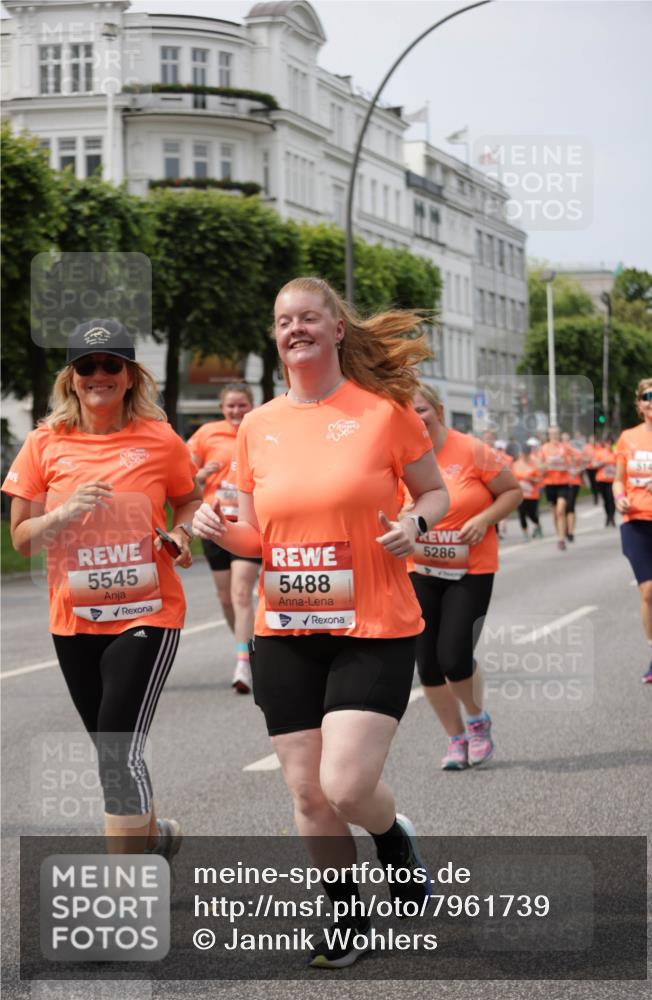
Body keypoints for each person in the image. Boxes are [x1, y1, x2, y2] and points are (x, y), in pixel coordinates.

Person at [193, 277, 448, 968]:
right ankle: (344, 913)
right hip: (286, 627)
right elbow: (251, 535)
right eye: (283, 320)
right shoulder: (257, 424)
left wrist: (413, 522)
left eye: (309, 317)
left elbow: (432, 488)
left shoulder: (384, 412)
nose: (294, 328)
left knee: (345, 786)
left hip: (375, 621)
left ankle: (391, 836)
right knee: (307, 791)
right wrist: (212, 521)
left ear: (337, 330)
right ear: (274, 335)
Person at [2, 319, 201, 856]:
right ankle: (153, 837)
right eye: (86, 367)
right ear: (71, 379)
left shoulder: (160, 440)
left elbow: (189, 499)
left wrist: (180, 533)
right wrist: (64, 513)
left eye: (110, 365)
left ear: (130, 376)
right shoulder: (45, 444)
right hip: (74, 619)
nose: (98, 375)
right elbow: (21, 539)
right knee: (115, 751)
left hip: (146, 614)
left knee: (116, 751)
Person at [408, 384, 522, 770]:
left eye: (421, 409)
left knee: (454, 656)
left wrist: (484, 518)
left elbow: (512, 491)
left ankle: (477, 720)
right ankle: (455, 737)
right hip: (418, 569)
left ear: (438, 410)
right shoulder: (398, 456)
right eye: (407, 412)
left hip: (469, 569)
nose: (415, 418)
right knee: (427, 665)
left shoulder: (472, 450)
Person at [187, 384, 261, 693]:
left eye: (242, 405)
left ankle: (243, 664)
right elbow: (181, 477)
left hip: (247, 524)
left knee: (241, 592)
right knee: (225, 599)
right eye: (231, 406)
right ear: (222, 408)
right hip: (215, 525)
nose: (236, 412)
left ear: (251, 405)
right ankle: (245, 647)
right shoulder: (206, 434)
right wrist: (201, 475)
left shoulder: (259, 430)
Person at [614, 377, 652, 683]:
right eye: (648, 396)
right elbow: (619, 478)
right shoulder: (628, 437)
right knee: (649, 590)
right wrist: (619, 497)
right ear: (640, 404)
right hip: (637, 524)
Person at [537, 425, 573, 551]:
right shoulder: (544, 449)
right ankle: (560, 536)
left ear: (559, 434)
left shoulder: (565, 448)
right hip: (549, 483)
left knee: (560, 510)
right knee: (555, 514)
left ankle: (562, 539)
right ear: (549, 435)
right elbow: (539, 466)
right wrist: (547, 465)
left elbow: (571, 464)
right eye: (552, 434)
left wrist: (563, 466)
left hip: (563, 483)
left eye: (556, 433)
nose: (554, 436)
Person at [513, 443, 543, 541]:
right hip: (520, 494)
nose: (525, 456)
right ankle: (525, 533)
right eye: (523, 453)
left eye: (527, 454)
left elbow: (539, 478)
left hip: (532, 493)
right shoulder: (516, 465)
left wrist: (530, 478)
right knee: (522, 513)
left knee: (532, 514)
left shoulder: (534, 464)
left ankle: (538, 525)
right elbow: (512, 478)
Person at [562, 431, 583, 543]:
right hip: (563, 482)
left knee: (570, 505)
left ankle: (570, 530)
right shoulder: (559, 453)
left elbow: (582, 464)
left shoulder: (575, 452)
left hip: (574, 482)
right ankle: (565, 526)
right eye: (563, 440)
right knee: (563, 507)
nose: (565, 442)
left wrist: (577, 470)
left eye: (566, 440)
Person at [594, 437, 617, 526]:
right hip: (602, 479)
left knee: (611, 499)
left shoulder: (616, 452)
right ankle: (608, 516)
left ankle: (612, 517)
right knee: (605, 500)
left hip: (613, 480)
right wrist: (602, 462)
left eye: (610, 443)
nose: (609, 445)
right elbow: (594, 464)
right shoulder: (600, 452)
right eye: (607, 443)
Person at [582, 435, 600, 506]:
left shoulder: (598, 446)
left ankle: (599, 493)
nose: (593, 440)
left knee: (597, 482)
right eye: (591, 439)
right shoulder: (586, 447)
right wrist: (589, 460)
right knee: (593, 483)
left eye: (594, 439)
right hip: (589, 468)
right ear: (589, 440)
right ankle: (595, 496)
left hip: (598, 467)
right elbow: (583, 457)